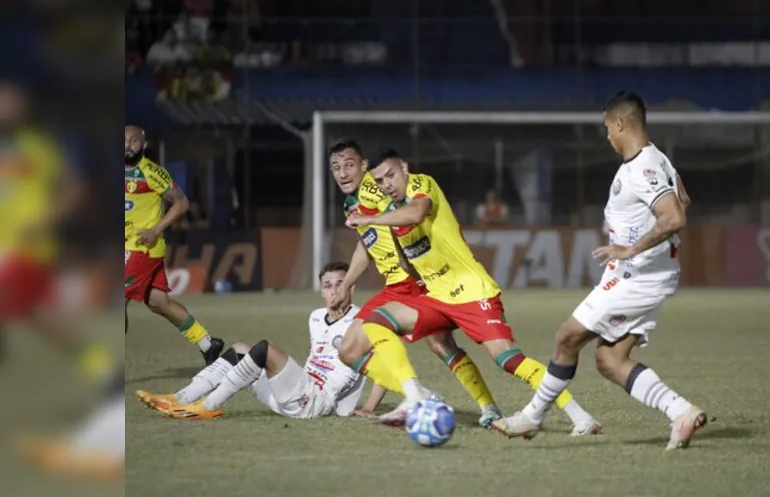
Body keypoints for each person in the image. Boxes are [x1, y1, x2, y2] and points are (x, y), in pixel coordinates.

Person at [492, 90, 706, 450]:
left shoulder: (642, 166)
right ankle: (680, 412)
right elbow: (683, 198)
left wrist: (630, 248)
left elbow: (675, 215)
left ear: (620, 123)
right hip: (650, 274)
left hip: (636, 276)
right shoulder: (659, 160)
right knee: (610, 359)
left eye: (607, 127)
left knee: (566, 337)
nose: (607, 135)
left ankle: (531, 417)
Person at [342, 149, 602, 435]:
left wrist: (370, 220)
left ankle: (581, 417)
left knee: (508, 359)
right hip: (437, 297)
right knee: (378, 320)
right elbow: (407, 261)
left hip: (470, 291)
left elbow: (417, 213)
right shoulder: (392, 213)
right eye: (379, 181)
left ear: (404, 168)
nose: (387, 184)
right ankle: (415, 394)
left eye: (391, 175)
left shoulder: (421, 184)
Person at [327, 139, 502, 428]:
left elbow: (408, 208)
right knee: (350, 351)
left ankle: (483, 406)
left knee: (439, 344)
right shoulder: (352, 203)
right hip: (394, 286)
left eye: (349, 165)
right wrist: (346, 285)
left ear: (364, 166)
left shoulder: (374, 189)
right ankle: (414, 397)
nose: (343, 173)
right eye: (336, 168)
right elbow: (366, 245)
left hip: (413, 281)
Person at [136, 262, 377, 420]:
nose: (334, 290)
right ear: (322, 291)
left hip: (314, 402)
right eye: (327, 285)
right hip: (287, 395)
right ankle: (180, 398)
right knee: (241, 349)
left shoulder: (363, 321)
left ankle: (208, 407)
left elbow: (384, 365)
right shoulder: (315, 317)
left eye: (340, 284)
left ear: (351, 287)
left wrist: (366, 408)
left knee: (267, 349)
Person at [0, 80, 111, 380]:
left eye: (10, 98)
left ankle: (96, 362)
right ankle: (95, 361)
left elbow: (76, 188)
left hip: (26, 245)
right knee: (35, 314)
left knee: (34, 314)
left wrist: (47, 219)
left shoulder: (38, 146)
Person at [125, 125, 224, 364]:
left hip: (141, 248)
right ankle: (207, 343)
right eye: (124, 140)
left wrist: (156, 229)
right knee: (159, 303)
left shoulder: (151, 172)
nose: (128, 145)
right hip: (126, 248)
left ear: (144, 145)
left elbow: (181, 203)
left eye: (134, 141)